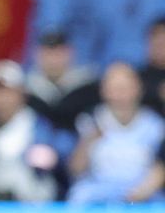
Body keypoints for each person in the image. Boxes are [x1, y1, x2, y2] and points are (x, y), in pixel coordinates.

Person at [68, 62, 165, 203]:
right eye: (114, 88)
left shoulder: (156, 125)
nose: (119, 95)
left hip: (143, 192)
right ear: (103, 91)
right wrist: (88, 140)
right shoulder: (90, 121)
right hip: (97, 191)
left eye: (124, 88)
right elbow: (76, 170)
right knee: (78, 196)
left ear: (138, 88)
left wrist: (144, 191)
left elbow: (160, 167)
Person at [25, 31, 94, 113]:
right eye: (48, 54)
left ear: (70, 53)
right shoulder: (27, 90)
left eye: (58, 54)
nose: (53, 60)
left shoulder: (87, 88)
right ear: (37, 55)